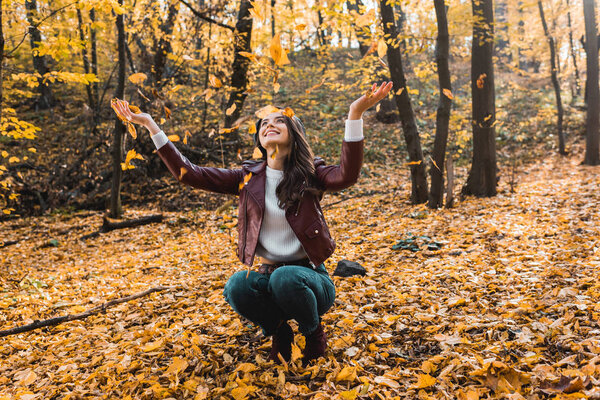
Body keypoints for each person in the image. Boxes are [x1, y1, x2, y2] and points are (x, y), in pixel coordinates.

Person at [111, 81, 393, 365]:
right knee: (237, 285)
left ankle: (313, 331)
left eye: (280, 121)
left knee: (287, 277)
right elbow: (190, 174)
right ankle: (279, 331)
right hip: (269, 279)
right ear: (259, 139)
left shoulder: (311, 173)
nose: (269, 125)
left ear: (294, 135)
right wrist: (150, 125)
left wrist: (355, 113)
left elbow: (347, 174)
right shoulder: (246, 178)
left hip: (313, 279)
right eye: (264, 123)